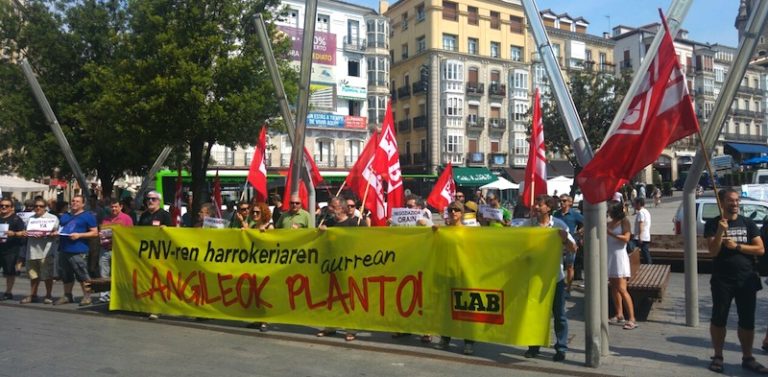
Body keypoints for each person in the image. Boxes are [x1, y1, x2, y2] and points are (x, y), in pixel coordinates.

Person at [706, 188, 766, 374]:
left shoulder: (748, 223)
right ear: (722, 202)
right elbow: (713, 252)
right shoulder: (713, 223)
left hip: (746, 279)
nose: (735, 204)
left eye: (737, 200)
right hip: (722, 280)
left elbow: (760, 249)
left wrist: (737, 246)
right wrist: (719, 232)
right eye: (731, 201)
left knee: (747, 320)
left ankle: (747, 357)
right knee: (719, 319)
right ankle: (718, 356)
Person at [522, 194, 576, 362]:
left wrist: (565, 238)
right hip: (534, 277)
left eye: (540, 205)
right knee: (535, 313)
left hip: (555, 278)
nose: (536, 207)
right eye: (536, 205)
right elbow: (515, 243)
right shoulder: (528, 225)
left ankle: (560, 348)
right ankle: (534, 346)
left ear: (549, 208)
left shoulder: (559, 225)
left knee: (559, 315)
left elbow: (573, 248)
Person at [316, 196, 367, 341]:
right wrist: (321, 232)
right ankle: (331, 326)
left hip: (350, 267)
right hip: (331, 266)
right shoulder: (328, 223)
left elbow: (366, 243)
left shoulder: (356, 223)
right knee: (331, 297)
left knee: (350, 298)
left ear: (342, 208)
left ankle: (351, 328)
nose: (330, 209)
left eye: (333, 206)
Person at [433, 201, 476, 355]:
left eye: (457, 209)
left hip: (463, 273)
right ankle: (445, 338)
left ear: (462, 212)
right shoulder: (443, 230)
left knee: (465, 308)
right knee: (446, 309)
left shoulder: (469, 232)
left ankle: (469, 341)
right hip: (445, 273)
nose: (453, 212)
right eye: (450, 210)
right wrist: (434, 231)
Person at [55, 195, 99, 306]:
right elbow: (60, 229)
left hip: (78, 250)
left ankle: (87, 297)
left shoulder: (88, 216)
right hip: (64, 248)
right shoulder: (66, 215)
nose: (74, 203)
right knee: (66, 274)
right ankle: (67, 295)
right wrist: (55, 232)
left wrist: (79, 235)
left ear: (83, 204)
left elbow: (95, 232)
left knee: (82, 274)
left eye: (78, 201)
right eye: (73, 201)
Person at [137, 191, 172, 319]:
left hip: (159, 254)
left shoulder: (165, 215)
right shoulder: (144, 215)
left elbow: (173, 233)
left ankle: (157, 308)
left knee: (158, 281)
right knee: (146, 280)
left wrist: (165, 228)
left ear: (159, 201)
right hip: (145, 254)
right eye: (148, 199)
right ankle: (146, 305)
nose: (150, 201)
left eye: (153, 199)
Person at [20, 198, 59, 304]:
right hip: (32, 251)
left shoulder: (52, 218)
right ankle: (33, 295)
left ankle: (48, 295)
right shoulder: (30, 219)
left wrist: (51, 233)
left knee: (47, 275)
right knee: (33, 275)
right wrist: (24, 233)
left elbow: (55, 231)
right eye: (36, 206)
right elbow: (26, 231)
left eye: (41, 206)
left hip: (46, 251)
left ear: (45, 207)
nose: (38, 208)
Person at [606, 201, 637, 330]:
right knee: (613, 287)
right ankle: (619, 314)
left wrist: (610, 233)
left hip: (620, 256)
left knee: (622, 288)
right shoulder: (609, 223)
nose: (608, 213)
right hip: (610, 256)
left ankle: (632, 318)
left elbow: (626, 238)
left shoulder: (624, 222)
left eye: (610, 211)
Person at [98, 199, 133, 303]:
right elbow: (102, 232)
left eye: (116, 206)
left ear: (121, 207)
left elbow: (130, 234)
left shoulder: (126, 219)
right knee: (104, 273)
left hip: (118, 250)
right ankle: (104, 296)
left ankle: (118, 295)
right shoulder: (106, 220)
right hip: (104, 249)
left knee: (118, 273)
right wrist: (101, 234)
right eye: (112, 207)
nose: (113, 209)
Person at [554, 194, 584, 293]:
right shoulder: (556, 214)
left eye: (564, 201)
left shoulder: (574, 214)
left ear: (569, 203)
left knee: (570, 266)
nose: (561, 203)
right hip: (558, 243)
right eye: (560, 201)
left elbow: (586, 222)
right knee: (558, 266)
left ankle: (569, 288)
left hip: (570, 243)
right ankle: (560, 285)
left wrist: (580, 231)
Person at [0, 197, 26, 300]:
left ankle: (8, 291)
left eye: (6, 206)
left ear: (11, 208)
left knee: (9, 271)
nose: (4, 207)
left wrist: (14, 233)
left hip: (10, 249)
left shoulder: (16, 219)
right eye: (2, 205)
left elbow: (23, 233)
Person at [632, 197, 652, 264]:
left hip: (640, 237)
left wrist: (640, 236)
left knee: (631, 248)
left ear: (639, 203)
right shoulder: (646, 211)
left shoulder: (640, 212)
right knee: (645, 252)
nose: (633, 205)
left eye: (634, 204)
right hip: (645, 236)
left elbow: (641, 224)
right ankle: (649, 265)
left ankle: (634, 265)